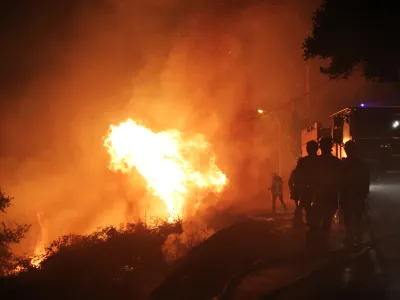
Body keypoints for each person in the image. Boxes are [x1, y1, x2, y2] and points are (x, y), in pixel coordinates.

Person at [307, 136, 341, 249]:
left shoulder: (315, 162)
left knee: (317, 221)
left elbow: (310, 179)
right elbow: (341, 181)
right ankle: (322, 242)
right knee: (326, 221)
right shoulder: (336, 162)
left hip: (319, 196)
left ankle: (317, 243)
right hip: (330, 196)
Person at [340, 140, 370, 247]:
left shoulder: (343, 164)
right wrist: (364, 193)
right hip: (355, 195)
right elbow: (366, 180)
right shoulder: (361, 164)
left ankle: (351, 237)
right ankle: (357, 238)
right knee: (357, 218)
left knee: (350, 218)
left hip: (350, 196)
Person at [295, 140, 319, 226]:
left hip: (307, 190)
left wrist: (298, 189)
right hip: (319, 190)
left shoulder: (303, 162)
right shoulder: (321, 161)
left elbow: (297, 176)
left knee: (309, 210)